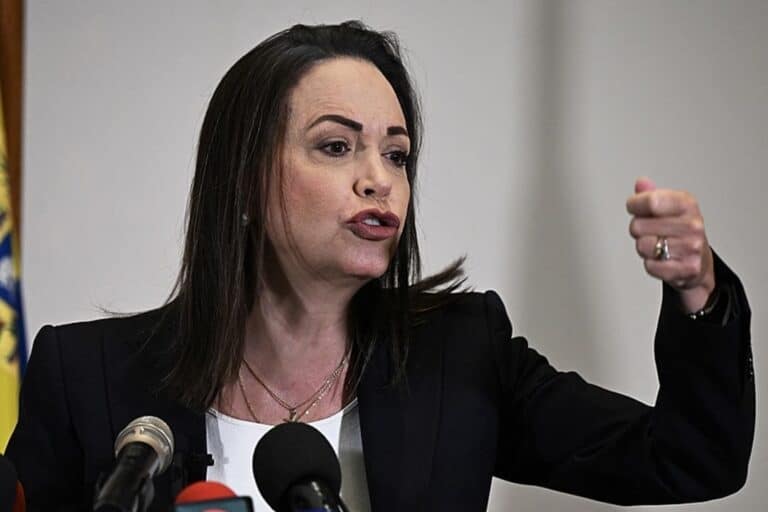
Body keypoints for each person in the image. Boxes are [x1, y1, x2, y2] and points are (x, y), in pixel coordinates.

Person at [6, 20, 754, 512]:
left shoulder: (460, 355)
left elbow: (689, 460)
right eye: (337, 146)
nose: (379, 180)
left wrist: (699, 292)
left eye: (396, 154)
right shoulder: (89, 377)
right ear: (244, 181)